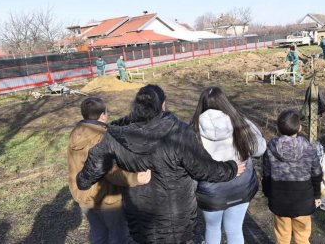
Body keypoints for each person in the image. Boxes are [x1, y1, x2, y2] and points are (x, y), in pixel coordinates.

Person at [76, 85, 246, 244]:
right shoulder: (179, 132)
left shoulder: (115, 136)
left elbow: (92, 168)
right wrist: (231, 168)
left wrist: (82, 180)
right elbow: (204, 169)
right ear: (163, 105)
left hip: (140, 216)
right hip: (176, 218)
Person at [67, 96, 151, 244]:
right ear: (102, 115)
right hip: (106, 199)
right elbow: (111, 172)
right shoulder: (102, 137)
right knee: (118, 235)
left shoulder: (76, 133)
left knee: (98, 233)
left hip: (83, 197)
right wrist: (136, 178)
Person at [191, 86, 267, 244]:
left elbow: (189, 164)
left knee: (212, 229)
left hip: (210, 193)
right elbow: (260, 149)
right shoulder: (241, 122)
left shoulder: (192, 130)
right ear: (225, 102)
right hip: (241, 187)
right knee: (235, 229)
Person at [262, 109, 322, 244]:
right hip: (304, 200)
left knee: (282, 237)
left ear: (278, 128)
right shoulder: (308, 148)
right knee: (302, 237)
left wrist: (267, 193)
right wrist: (317, 195)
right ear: (300, 127)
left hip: (279, 199)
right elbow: (317, 174)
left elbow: (266, 175)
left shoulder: (270, 148)